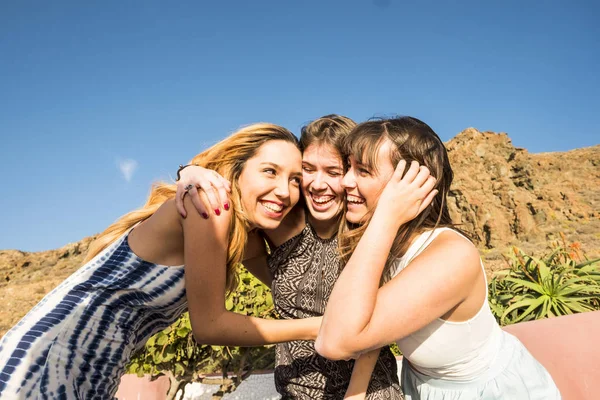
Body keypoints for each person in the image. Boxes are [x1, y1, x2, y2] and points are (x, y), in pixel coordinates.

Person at [0, 123, 322, 400]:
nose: (284, 190)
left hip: (99, 361)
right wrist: (316, 328)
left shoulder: (242, 237)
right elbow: (210, 326)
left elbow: (293, 288)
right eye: (270, 171)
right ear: (237, 169)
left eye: (296, 180)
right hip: (52, 352)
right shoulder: (209, 206)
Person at [315, 117, 561, 399]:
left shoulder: (451, 256)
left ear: (411, 182)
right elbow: (364, 321)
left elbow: (333, 343)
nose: (345, 181)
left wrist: (387, 214)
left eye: (363, 171)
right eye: (349, 167)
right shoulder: (386, 244)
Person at [176, 115, 403, 399]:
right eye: (308, 169)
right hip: (294, 391)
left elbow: (373, 327)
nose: (318, 184)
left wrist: (355, 394)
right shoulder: (280, 218)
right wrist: (189, 171)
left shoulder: (366, 230)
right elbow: (238, 184)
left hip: (364, 392)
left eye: (332, 172)